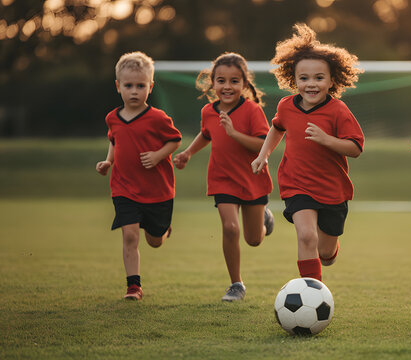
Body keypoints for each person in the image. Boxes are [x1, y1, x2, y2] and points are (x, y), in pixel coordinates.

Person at [251, 24, 365, 282]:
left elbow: (356, 148)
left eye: (318, 78)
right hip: (296, 184)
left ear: (332, 80)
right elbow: (277, 128)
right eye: (304, 78)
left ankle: (328, 253)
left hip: (332, 189)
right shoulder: (286, 106)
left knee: (325, 253)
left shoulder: (338, 111)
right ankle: (312, 292)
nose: (311, 84)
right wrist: (263, 154)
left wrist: (327, 140)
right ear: (294, 80)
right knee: (306, 236)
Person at [173, 52, 274, 302]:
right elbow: (206, 134)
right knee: (230, 228)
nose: (227, 86)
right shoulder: (208, 111)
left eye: (234, 81)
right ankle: (236, 285)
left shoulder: (252, 110)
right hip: (222, 179)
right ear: (213, 83)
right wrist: (187, 152)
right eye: (221, 80)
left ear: (244, 83)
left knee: (253, 240)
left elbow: (262, 145)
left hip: (253, 178)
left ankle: (264, 223)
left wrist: (234, 133)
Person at [96, 51, 182, 301]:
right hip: (124, 188)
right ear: (118, 86)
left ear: (150, 86)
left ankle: (164, 230)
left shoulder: (158, 118)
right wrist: (108, 161)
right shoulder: (112, 118)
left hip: (157, 191)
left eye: (140, 86)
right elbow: (114, 141)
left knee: (155, 241)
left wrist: (158, 156)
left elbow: (175, 140)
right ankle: (133, 286)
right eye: (129, 85)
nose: (134, 91)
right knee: (130, 234)